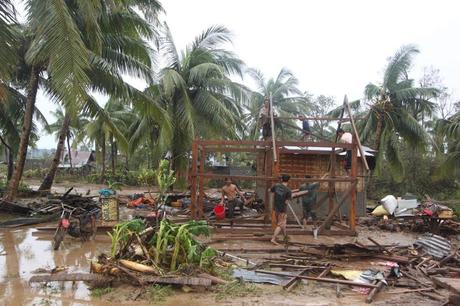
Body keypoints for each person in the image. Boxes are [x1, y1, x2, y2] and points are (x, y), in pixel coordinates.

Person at [270, 174, 292, 245]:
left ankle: (285, 237)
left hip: (275, 208)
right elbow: (286, 202)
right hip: (282, 210)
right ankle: (273, 239)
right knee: (280, 225)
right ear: (288, 180)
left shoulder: (276, 186)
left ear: (281, 179)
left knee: (283, 224)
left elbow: (270, 191)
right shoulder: (288, 190)